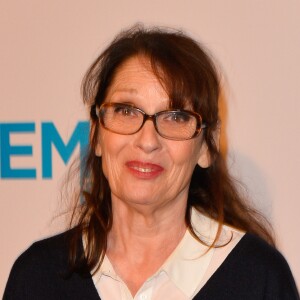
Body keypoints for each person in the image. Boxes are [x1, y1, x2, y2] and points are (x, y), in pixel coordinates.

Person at [4, 25, 299, 300]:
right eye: (126, 110)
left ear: (206, 147)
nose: (147, 140)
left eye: (176, 116)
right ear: (95, 134)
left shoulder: (260, 279)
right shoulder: (36, 277)